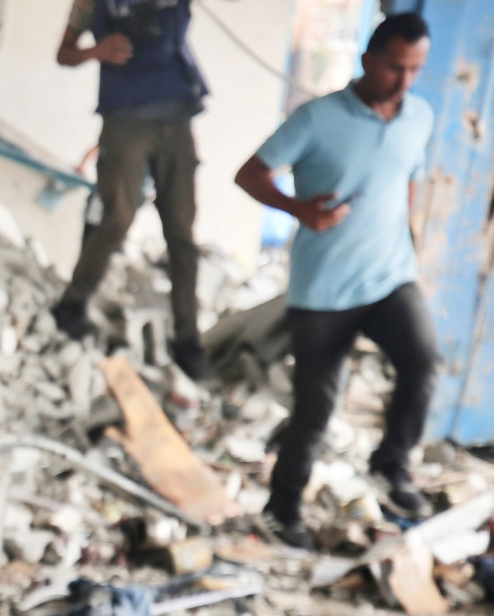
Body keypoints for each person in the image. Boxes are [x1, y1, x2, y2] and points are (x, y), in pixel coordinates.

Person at [234, 12, 437, 549]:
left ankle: (391, 466)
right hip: (323, 289)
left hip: (391, 275)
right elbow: (250, 174)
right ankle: (283, 510)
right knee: (316, 409)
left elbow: (407, 184)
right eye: (395, 67)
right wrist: (298, 208)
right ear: (368, 60)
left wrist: (414, 248)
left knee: (422, 360)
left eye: (415, 69)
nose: (404, 82)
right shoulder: (317, 118)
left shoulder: (420, 118)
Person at [51, 0, 210, 380]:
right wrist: (96, 51)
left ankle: (188, 338)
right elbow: (64, 52)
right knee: (117, 217)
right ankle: (73, 303)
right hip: (124, 117)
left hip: (175, 114)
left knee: (181, 233)